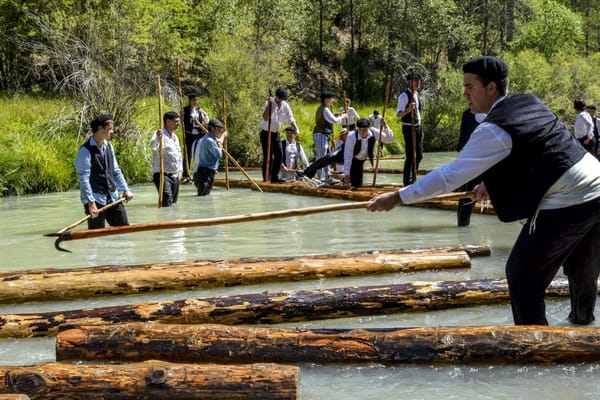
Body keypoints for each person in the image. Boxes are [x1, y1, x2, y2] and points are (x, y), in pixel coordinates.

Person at [367, 55, 600, 326]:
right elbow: (540, 151)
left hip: (572, 197)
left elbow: (449, 176)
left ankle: (535, 348)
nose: (465, 94)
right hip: (597, 184)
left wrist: (398, 197)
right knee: (582, 267)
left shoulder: (493, 128)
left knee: (522, 276)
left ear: (491, 88)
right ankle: (583, 330)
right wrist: (492, 183)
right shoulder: (528, 101)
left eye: (470, 87)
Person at [74, 114, 133, 229]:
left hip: (113, 197)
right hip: (95, 200)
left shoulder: (109, 147)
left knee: (124, 230)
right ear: (100, 129)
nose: (112, 131)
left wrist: (125, 189)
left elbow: (116, 171)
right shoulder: (85, 151)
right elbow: (83, 179)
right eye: (109, 129)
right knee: (96, 238)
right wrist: (91, 203)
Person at [260, 87, 300, 183]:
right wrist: (270, 105)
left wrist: (296, 128)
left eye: (282, 99)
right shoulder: (269, 103)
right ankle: (266, 177)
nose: (280, 101)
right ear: (276, 97)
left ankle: (274, 177)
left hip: (275, 133)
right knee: (268, 156)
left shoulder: (285, 106)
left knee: (279, 155)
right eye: (279, 99)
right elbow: (265, 118)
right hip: (266, 133)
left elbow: (291, 119)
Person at [342, 118, 394, 188]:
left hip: (360, 160)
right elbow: (348, 156)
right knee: (329, 158)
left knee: (357, 184)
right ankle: (326, 176)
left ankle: (347, 179)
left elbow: (389, 140)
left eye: (365, 130)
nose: (362, 132)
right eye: (360, 130)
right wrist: (347, 175)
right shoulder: (351, 136)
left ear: (369, 128)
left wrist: (385, 126)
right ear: (357, 128)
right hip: (349, 156)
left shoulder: (374, 132)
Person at [456, 109, 485, 227]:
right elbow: (463, 139)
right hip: (471, 161)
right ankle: (463, 226)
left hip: (491, 161)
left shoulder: (497, 113)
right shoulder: (468, 114)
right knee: (467, 197)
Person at [396, 72, 423, 186]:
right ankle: (407, 181)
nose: (415, 83)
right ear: (409, 82)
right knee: (410, 155)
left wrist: (421, 130)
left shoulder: (417, 95)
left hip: (417, 127)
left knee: (419, 154)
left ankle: (414, 177)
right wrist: (408, 109)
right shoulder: (404, 95)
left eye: (417, 81)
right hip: (408, 127)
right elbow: (399, 114)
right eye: (413, 81)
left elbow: (418, 114)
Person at [151, 111, 183, 207]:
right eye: (176, 122)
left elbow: (179, 155)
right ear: (168, 122)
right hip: (162, 174)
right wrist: (158, 138)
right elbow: (153, 145)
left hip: (174, 174)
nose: (178, 124)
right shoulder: (160, 134)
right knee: (167, 202)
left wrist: (180, 170)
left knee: (173, 202)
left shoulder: (175, 137)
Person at [313, 91, 346, 183]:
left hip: (323, 135)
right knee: (321, 157)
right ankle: (321, 179)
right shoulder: (325, 109)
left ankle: (327, 177)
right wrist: (342, 116)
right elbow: (334, 121)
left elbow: (329, 118)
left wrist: (338, 114)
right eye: (332, 99)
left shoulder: (323, 108)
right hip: (321, 135)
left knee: (326, 157)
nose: (333, 101)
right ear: (326, 99)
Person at [192, 119, 228, 196]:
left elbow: (219, 141)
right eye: (218, 129)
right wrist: (220, 147)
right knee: (203, 195)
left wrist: (223, 136)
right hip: (205, 173)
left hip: (207, 171)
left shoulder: (209, 138)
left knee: (205, 195)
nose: (220, 131)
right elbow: (218, 155)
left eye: (221, 130)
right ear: (212, 129)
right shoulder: (209, 140)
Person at [181, 93, 210, 182]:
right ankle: (186, 174)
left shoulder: (199, 111)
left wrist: (205, 114)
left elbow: (207, 121)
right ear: (190, 101)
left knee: (199, 153)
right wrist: (181, 115)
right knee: (187, 154)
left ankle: (200, 172)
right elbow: (181, 120)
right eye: (193, 100)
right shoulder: (185, 110)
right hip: (189, 134)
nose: (195, 102)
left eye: (196, 100)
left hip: (199, 134)